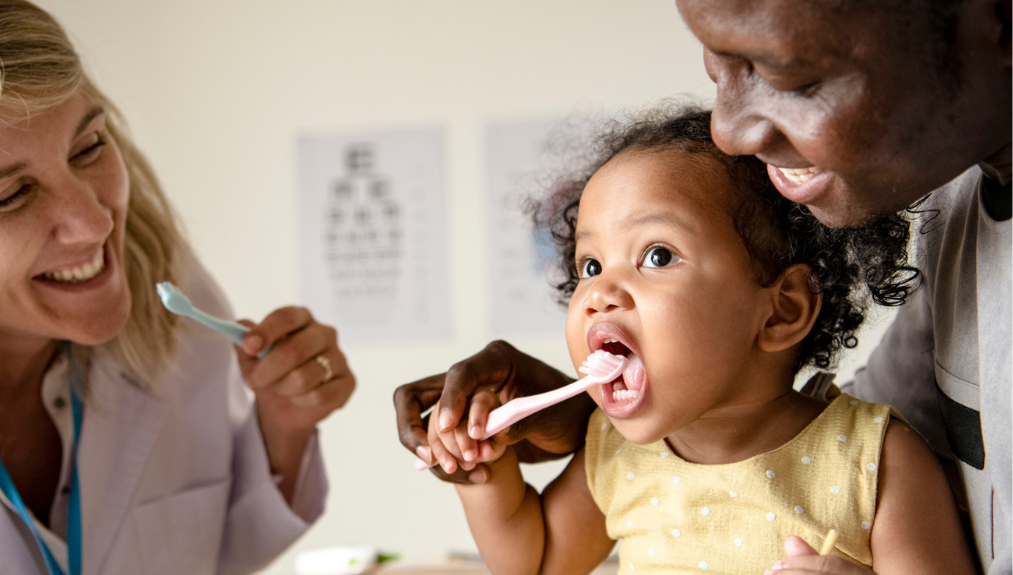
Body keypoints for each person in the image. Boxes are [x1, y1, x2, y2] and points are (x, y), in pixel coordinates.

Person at [395, 0, 1009, 571]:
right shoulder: (616, 454)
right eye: (589, 266)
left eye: (657, 255)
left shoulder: (876, 461)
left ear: (780, 311)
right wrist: (486, 474)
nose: (600, 294)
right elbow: (538, 557)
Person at [0, 1, 355, 574]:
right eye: (9, 197)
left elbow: (215, 554)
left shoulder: (175, 303)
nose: (95, 224)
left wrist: (283, 424)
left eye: (89, 148)